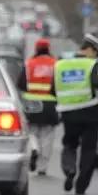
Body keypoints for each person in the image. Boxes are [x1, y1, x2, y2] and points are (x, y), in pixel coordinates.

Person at [52, 33, 98, 195]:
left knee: (69, 144)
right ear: (90, 50)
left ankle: (69, 169)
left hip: (68, 114)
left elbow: (53, 89)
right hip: (89, 113)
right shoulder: (90, 63)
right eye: (97, 52)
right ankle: (81, 185)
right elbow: (97, 83)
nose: (97, 56)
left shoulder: (61, 65)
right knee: (89, 150)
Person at [17, 38, 60, 176]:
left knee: (32, 132)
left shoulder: (29, 64)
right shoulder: (56, 65)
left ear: (36, 49)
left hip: (32, 104)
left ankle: (34, 148)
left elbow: (21, 84)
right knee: (47, 136)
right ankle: (43, 167)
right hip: (50, 105)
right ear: (48, 49)